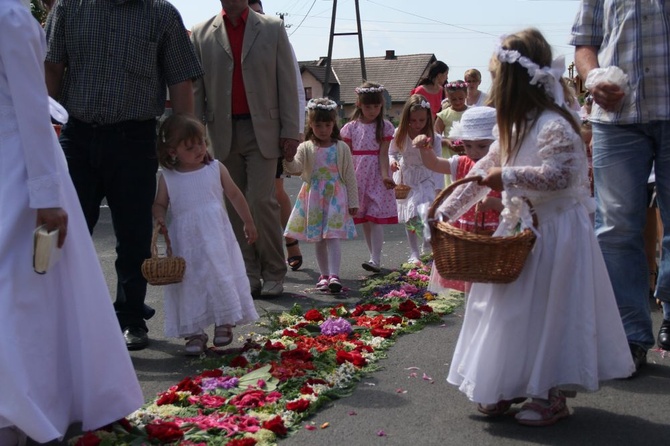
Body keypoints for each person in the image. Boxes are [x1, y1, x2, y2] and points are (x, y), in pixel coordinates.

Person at [435, 29, 634, 426]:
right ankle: (506, 383)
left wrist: (505, 177)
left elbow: (563, 175)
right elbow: (479, 174)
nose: (494, 88)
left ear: (515, 81)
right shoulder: (511, 126)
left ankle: (549, 391)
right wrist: (444, 213)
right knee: (510, 312)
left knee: (550, 311)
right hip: (520, 231)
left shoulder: (554, 123)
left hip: (556, 232)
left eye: (498, 80)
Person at [0, 1, 143, 443]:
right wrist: (46, 193)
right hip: (17, 166)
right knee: (26, 293)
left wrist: (44, 192)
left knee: (25, 289)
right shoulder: (10, 16)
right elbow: (31, 105)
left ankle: (29, 404)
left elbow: (33, 103)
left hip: (18, 166)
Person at [44, 0, 204, 351]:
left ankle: (130, 317)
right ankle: (61, 317)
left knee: (133, 236)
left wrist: (184, 144)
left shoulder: (163, 15)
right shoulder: (70, 8)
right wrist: (40, 127)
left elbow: (180, 83)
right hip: (77, 136)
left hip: (135, 140)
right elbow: (52, 67)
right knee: (67, 231)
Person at [571, 0, 670, 358]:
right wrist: (593, 77)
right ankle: (629, 336)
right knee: (615, 228)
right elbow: (585, 43)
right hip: (616, 119)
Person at [191, 0, 301, 298]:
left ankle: (274, 272)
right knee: (233, 204)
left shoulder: (272, 28)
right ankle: (247, 273)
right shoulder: (201, 33)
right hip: (221, 132)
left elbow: (288, 83)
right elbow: (197, 89)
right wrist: (195, 135)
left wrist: (291, 131)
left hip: (263, 130)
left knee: (261, 200)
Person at [152, 114, 260, 355]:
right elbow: (160, 203)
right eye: (190, 147)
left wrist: (248, 221)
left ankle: (225, 320)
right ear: (172, 151)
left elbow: (234, 194)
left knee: (219, 274)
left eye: (201, 142)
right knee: (190, 282)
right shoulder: (168, 177)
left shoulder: (214, 168)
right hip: (186, 241)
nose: (199, 149)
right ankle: (194, 331)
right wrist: (159, 216)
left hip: (216, 237)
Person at [417, 106, 502, 294]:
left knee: (492, 284)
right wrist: (425, 149)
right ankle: (474, 316)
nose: (474, 152)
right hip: (466, 234)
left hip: (494, 234)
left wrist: (495, 204)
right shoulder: (463, 163)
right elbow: (434, 164)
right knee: (472, 283)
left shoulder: (501, 169)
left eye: (482, 146)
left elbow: (516, 203)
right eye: (468, 145)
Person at [248, 0, 305, 272]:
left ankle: (290, 240)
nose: (255, 18)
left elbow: (294, 83)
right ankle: (252, 253)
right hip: (237, 128)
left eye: (259, 12)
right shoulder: (225, 36)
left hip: (272, 130)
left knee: (275, 191)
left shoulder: (276, 35)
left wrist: (295, 129)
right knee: (243, 194)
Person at [283, 98, 358, 293]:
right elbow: (297, 169)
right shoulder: (306, 147)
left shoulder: (341, 148)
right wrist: (289, 158)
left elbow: (349, 176)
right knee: (318, 238)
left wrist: (353, 201)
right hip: (314, 197)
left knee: (332, 236)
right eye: (318, 125)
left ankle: (334, 274)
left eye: (327, 124)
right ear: (311, 124)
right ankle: (324, 275)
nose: (323, 129)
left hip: (336, 198)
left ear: (334, 124)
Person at [340, 82, 397, 273]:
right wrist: (344, 177)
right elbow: (346, 155)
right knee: (364, 217)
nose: (372, 110)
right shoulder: (350, 128)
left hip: (376, 175)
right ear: (359, 104)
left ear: (381, 105)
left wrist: (384, 175)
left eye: (376, 106)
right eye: (368, 106)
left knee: (375, 217)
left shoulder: (385, 127)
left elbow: (383, 154)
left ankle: (376, 258)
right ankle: (373, 257)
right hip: (356, 175)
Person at [389, 94, 442, 264]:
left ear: (428, 118)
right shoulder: (400, 133)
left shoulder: (434, 137)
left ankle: (427, 241)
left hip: (427, 176)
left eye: (421, 120)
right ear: (406, 119)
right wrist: (393, 161)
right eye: (413, 120)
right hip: (406, 177)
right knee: (410, 215)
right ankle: (414, 253)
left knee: (426, 212)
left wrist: (439, 188)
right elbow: (391, 152)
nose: (417, 124)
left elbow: (439, 163)